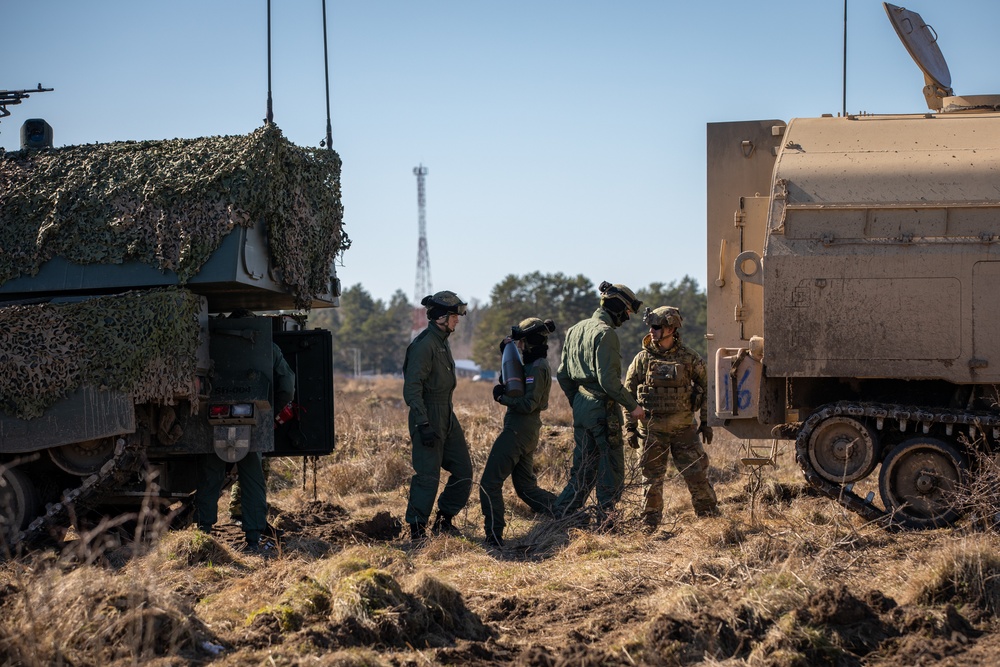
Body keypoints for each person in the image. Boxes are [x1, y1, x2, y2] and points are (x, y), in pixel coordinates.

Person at [195, 309, 296, 551]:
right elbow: (288, 384)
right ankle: (253, 538)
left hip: (213, 414)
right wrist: (272, 411)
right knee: (252, 478)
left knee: (210, 476)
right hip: (253, 416)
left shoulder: (208, 344)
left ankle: (202, 534)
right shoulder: (267, 347)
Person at [552, 281, 646, 525]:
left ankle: (561, 515)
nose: (627, 317)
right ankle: (607, 521)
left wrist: (578, 401)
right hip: (602, 408)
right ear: (616, 306)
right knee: (610, 467)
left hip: (582, 407)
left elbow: (563, 374)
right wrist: (633, 406)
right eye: (626, 311)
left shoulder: (574, 330)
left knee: (583, 467)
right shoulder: (606, 333)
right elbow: (609, 382)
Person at [624, 306, 718, 531]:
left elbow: (707, 388)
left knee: (696, 475)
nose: (652, 330)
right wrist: (629, 425)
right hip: (651, 430)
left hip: (684, 429)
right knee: (651, 480)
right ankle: (649, 524)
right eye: (651, 326)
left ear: (670, 328)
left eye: (656, 326)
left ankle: (710, 521)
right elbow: (628, 391)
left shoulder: (689, 357)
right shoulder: (642, 358)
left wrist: (706, 422)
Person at [479, 317, 559, 547]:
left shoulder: (538, 367)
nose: (520, 347)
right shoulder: (532, 365)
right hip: (524, 430)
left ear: (531, 342)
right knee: (525, 489)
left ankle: (493, 535)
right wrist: (505, 353)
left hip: (519, 430)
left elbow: (527, 404)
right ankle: (568, 513)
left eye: (522, 342)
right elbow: (514, 381)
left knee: (489, 483)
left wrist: (501, 398)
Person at [403, 290, 474, 540]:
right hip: (428, 414)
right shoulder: (425, 346)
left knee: (464, 471)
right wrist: (423, 422)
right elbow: (413, 389)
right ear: (441, 317)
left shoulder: (442, 342)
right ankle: (417, 530)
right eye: (454, 315)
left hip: (447, 413)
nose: (457, 320)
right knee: (427, 475)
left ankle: (444, 521)